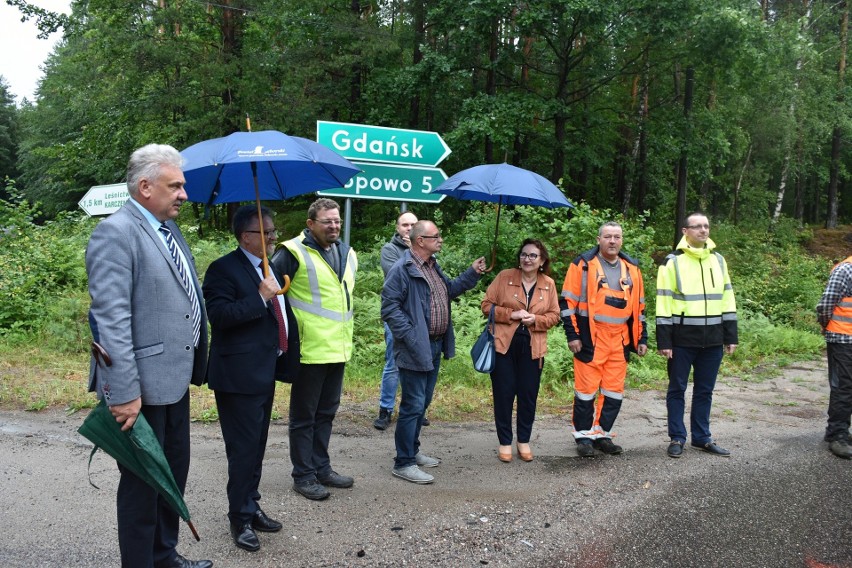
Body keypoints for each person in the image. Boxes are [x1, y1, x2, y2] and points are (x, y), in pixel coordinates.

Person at [85, 144, 212, 568]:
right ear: (144, 187)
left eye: (183, 186)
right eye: (174, 185)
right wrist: (122, 392)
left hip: (174, 378)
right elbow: (111, 320)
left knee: (172, 475)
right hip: (138, 386)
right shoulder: (115, 233)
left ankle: (164, 555)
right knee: (142, 486)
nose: (183, 194)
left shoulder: (168, 230)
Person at [202, 205, 300, 551]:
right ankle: (239, 518)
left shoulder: (267, 265)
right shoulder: (222, 270)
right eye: (268, 232)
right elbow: (219, 316)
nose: (274, 237)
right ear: (247, 236)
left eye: (274, 231)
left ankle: (251, 504)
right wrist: (260, 296)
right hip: (237, 377)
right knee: (243, 450)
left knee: (257, 446)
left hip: (264, 371)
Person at [381, 220, 487, 484]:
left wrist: (471, 273)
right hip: (416, 346)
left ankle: (413, 451)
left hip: (436, 344)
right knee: (413, 404)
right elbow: (389, 307)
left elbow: (448, 291)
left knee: (423, 402)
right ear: (420, 241)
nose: (440, 240)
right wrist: (410, 336)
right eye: (436, 236)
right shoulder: (402, 268)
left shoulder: (432, 266)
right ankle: (403, 462)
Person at [271, 198, 357, 500]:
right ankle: (303, 475)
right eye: (327, 222)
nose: (334, 226)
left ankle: (322, 468)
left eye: (337, 221)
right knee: (304, 417)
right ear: (311, 224)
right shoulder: (291, 253)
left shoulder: (347, 253)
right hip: (308, 350)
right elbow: (271, 295)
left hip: (338, 348)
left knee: (326, 414)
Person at [560, 222, 648, 457]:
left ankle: (602, 434)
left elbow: (639, 308)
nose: (612, 241)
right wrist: (573, 335)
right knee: (586, 392)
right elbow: (567, 303)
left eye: (616, 237)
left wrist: (641, 338)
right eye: (607, 236)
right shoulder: (583, 265)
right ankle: (584, 437)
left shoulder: (632, 269)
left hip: (620, 341)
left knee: (613, 391)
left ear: (621, 240)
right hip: (592, 338)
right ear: (598, 239)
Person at [656, 212, 738, 458]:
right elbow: (663, 302)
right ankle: (677, 437)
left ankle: (702, 438)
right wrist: (665, 340)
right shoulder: (672, 262)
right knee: (677, 389)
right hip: (682, 339)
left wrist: (730, 336)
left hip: (713, 340)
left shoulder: (719, 260)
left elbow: (727, 298)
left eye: (706, 226)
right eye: (697, 226)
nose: (703, 230)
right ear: (685, 231)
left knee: (705, 391)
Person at [481, 239, 561, 463]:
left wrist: (535, 319)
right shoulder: (505, 277)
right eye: (524, 254)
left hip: (533, 347)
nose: (527, 259)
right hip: (503, 345)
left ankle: (523, 440)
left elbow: (555, 315)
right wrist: (511, 315)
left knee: (528, 395)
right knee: (504, 394)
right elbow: (486, 305)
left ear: (542, 260)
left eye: (533, 255)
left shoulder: (549, 284)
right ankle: (505, 441)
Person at [373, 210, 418, 430]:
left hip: (421, 316)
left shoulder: (429, 251)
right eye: (405, 225)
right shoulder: (389, 250)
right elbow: (397, 277)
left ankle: (415, 408)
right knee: (394, 364)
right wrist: (413, 252)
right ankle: (385, 409)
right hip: (397, 315)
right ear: (397, 228)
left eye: (413, 225)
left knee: (420, 364)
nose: (409, 228)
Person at [815, 256, 852, 459]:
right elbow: (825, 305)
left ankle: (839, 431)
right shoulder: (845, 270)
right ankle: (838, 436)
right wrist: (826, 326)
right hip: (843, 338)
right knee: (843, 387)